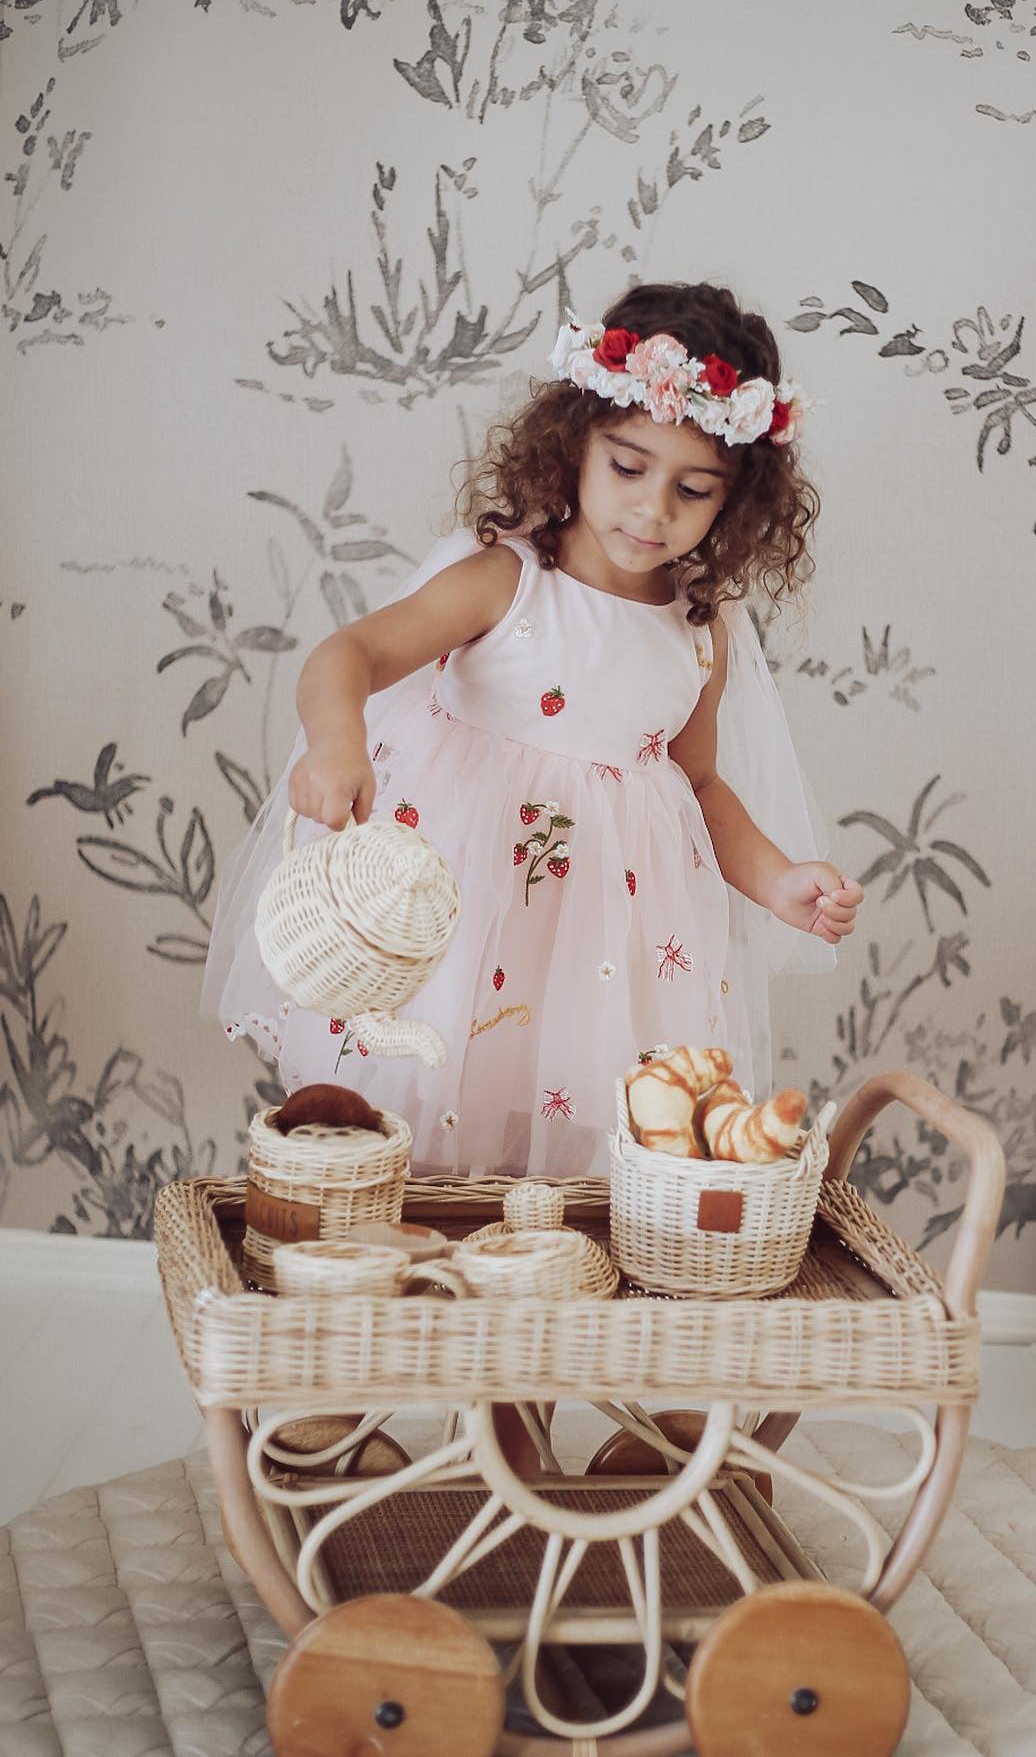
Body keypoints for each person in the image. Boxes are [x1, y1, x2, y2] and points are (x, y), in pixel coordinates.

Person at [204, 281, 864, 1176]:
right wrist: (335, 743)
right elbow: (349, 654)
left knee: (566, 1151)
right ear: (575, 445)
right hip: (466, 914)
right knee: (427, 1122)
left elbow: (701, 784)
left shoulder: (700, 628)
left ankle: (536, 1264)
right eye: (628, 468)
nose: (653, 509)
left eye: (693, 489)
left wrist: (778, 878)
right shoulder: (507, 581)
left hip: (603, 945)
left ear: (734, 500)